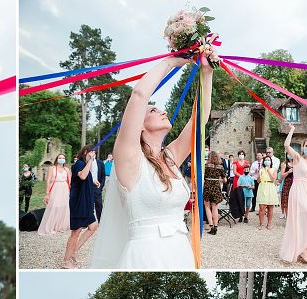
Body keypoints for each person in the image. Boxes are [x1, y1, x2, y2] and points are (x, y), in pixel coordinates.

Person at [90, 48, 215, 269]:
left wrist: (207, 72)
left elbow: (200, 119)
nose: (163, 111)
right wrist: (171, 62)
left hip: (179, 249)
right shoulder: (129, 160)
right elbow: (139, 95)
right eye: (153, 110)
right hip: (146, 253)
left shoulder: (171, 157)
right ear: (138, 126)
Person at [280, 124, 307, 264]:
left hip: (306, 192)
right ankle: (302, 252)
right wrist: (292, 129)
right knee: (306, 218)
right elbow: (286, 145)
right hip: (297, 190)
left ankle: (306, 249)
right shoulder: (297, 158)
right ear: (303, 147)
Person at [63, 145, 100, 268]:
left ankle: (75, 251)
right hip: (78, 203)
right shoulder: (79, 163)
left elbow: (84, 179)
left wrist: (93, 181)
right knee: (76, 232)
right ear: (85, 152)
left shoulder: (84, 165)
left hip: (86, 203)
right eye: (91, 153)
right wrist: (90, 161)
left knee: (93, 226)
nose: (93, 155)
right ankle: (66, 262)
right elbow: (82, 176)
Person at [37, 154, 71, 236]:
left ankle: (59, 226)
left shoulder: (67, 169)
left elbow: (70, 181)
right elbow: (48, 181)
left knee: (63, 206)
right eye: (60, 158)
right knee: (54, 206)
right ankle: (50, 226)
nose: (61, 159)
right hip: (55, 188)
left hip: (64, 189)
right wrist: (47, 193)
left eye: (63, 158)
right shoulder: (52, 168)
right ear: (57, 159)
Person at [203, 151, 226, 235]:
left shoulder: (206, 166)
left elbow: (203, 176)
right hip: (216, 186)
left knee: (207, 206)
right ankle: (216, 226)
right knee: (215, 207)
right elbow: (225, 180)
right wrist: (218, 179)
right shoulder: (221, 167)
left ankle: (211, 225)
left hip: (207, 186)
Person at [256, 154, 279, 230]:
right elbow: (258, 181)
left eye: (268, 160)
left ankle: (269, 224)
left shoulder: (274, 169)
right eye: (265, 160)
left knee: (270, 207)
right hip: (262, 187)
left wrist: (268, 171)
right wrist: (259, 175)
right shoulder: (261, 169)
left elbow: (273, 180)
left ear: (271, 162)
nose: (267, 161)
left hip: (270, 187)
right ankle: (261, 224)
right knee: (262, 207)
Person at [92, 150, 107, 221]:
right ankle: (87, 222)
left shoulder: (100, 163)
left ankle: (100, 220)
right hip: (87, 187)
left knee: (99, 204)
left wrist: (101, 186)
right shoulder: (84, 163)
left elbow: (103, 175)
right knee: (88, 205)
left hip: (97, 187)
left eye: (93, 152)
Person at [280, 155, 294, 220]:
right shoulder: (284, 164)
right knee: (286, 201)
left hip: (296, 183)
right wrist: (288, 172)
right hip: (287, 183)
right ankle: (288, 219)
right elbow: (282, 176)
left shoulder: (296, 163)